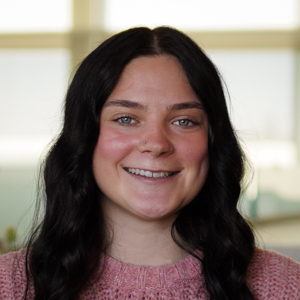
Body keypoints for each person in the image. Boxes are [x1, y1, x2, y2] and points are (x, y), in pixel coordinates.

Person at [0, 26, 299, 300]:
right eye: (126, 119)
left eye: (184, 121)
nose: (156, 143)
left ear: (213, 142)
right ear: (84, 138)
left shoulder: (286, 286)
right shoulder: (9, 285)